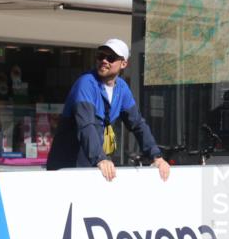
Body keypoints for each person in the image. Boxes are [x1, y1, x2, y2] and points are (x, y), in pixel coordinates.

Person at [47, 38, 170, 182]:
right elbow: (86, 125)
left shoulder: (122, 88)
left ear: (123, 64)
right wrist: (100, 159)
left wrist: (156, 156)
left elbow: (138, 124)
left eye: (111, 58)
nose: (104, 60)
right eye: (101, 56)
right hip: (67, 167)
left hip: (93, 167)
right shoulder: (86, 83)